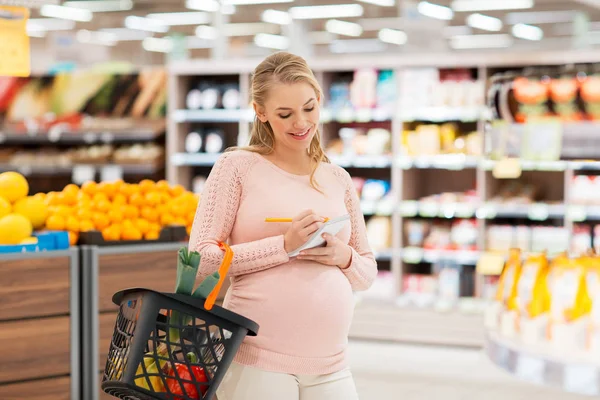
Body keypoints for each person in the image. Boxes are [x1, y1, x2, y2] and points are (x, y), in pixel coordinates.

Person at [188, 51, 378, 400]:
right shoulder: (237, 167)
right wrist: (283, 247)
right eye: (285, 114)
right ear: (260, 112)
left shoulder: (338, 178)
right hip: (256, 358)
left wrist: (343, 256)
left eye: (309, 108)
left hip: (332, 362)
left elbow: (366, 272)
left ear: (320, 99)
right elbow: (201, 259)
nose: (301, 123)